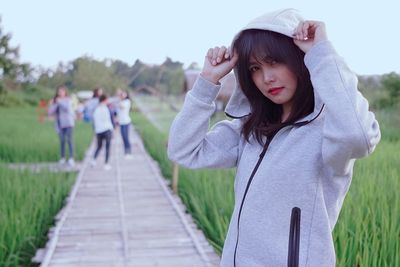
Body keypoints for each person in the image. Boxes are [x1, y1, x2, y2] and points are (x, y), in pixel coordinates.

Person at [167, 8, 381, 267]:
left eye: (275, 61)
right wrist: (206, 82)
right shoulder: (250, 129)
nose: (266, 78)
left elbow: (358, 135)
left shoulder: (326, 134)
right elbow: (182, 150)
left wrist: (321, 53)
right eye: (255, 68)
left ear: (300, 60)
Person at [48, 85, 76, 166]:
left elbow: (67, 108)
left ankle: (71, 158)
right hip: (59, 124)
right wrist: (54, 103)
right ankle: (62, 158)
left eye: (62, 91)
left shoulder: (68, 100)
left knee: (69, 140)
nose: (60, 93)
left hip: (68, 123)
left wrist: (59, 101)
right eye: (59, 91)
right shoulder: (55, 101)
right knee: (62, 141)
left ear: (65, 92)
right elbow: (50, 112)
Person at [91, 94, 114, 170]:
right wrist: (112, 129)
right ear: (104, 100)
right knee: (107, 147)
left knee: (99, 146)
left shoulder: (96, 109)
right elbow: (110, 119)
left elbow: (94, 121)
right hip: (107, 129)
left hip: (98, 131)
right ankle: (106, 163)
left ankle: (94, 160)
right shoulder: (107, 109)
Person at [117, 90, 133, 158]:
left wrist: (119, 98)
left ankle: (129, 152)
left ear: (126, 95)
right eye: (122, 94)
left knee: (126, 137)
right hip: (121, 122)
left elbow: (121, 107)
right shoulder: (121, 101)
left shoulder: (127, 102)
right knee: (123, 137)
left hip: (126, 122)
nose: (123, 95)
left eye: (124, 94)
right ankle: (126, 152)